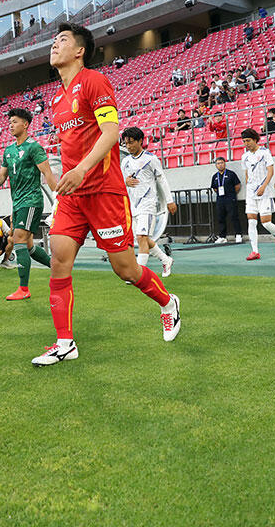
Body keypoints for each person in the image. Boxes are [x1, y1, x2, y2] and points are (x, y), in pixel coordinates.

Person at [31, 23, 180, 366]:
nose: (54, 45)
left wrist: (82, 169)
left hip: (104, 191)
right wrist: (66, 176)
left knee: (125, 269)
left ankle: (168, 303)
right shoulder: (56, 99)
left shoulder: (94, 81)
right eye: (53, 41)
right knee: (59, 259)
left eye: (62, 40)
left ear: (80, 50)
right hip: (72, 196)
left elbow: (111, 132)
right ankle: (65, 343)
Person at [0, 107, 57, 300]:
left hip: (31, 201)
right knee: (27, 245)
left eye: (14, 122)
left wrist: (59, 199)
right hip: (17, 203)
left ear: (25, 124)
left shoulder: (34, 147)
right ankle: (57, 267)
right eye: (10, 122)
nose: (10, 125)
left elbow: (47, 173)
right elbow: (2, 175)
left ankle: (23, 289)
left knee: (18, 239)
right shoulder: (9, 150)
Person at [120, 127, 176, 277]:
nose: (129, 146)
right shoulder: (125, 161)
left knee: (141, 238)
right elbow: (120, 181)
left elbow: (162, 180)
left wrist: (169, 201)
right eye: (126, 143)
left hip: (148, 203)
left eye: (131, 142)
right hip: (133, 205)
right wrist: (125, 181)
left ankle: (138, 274)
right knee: (143, 239)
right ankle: (166, 260)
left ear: (140, 141)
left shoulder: (151, 159)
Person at [239, 129, 275, 260]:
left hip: (264, 192)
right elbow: (247, 173)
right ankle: (255, 251)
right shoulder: (245, 156)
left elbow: (270, 171)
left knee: (266, 223)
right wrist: (249, 186)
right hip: (251, 193)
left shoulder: (265, 152)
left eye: (248, 140)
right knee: (251, 222)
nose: (246, 143)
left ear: (255, 139)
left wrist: (263, 187)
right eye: (244, 141)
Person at [211, 157, 242, 244]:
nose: (220, 165)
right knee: (220, 217)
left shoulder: (231, 174)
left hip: (230, 198)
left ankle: (238, 235)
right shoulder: (215, 176)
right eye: (218, 163)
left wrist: (231, 194)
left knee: (234, 216)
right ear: (216, 165)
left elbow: (237, 185)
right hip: (220, 199)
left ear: (225, 163)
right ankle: (222, 236)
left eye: (221, 163)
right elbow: (215, 188)